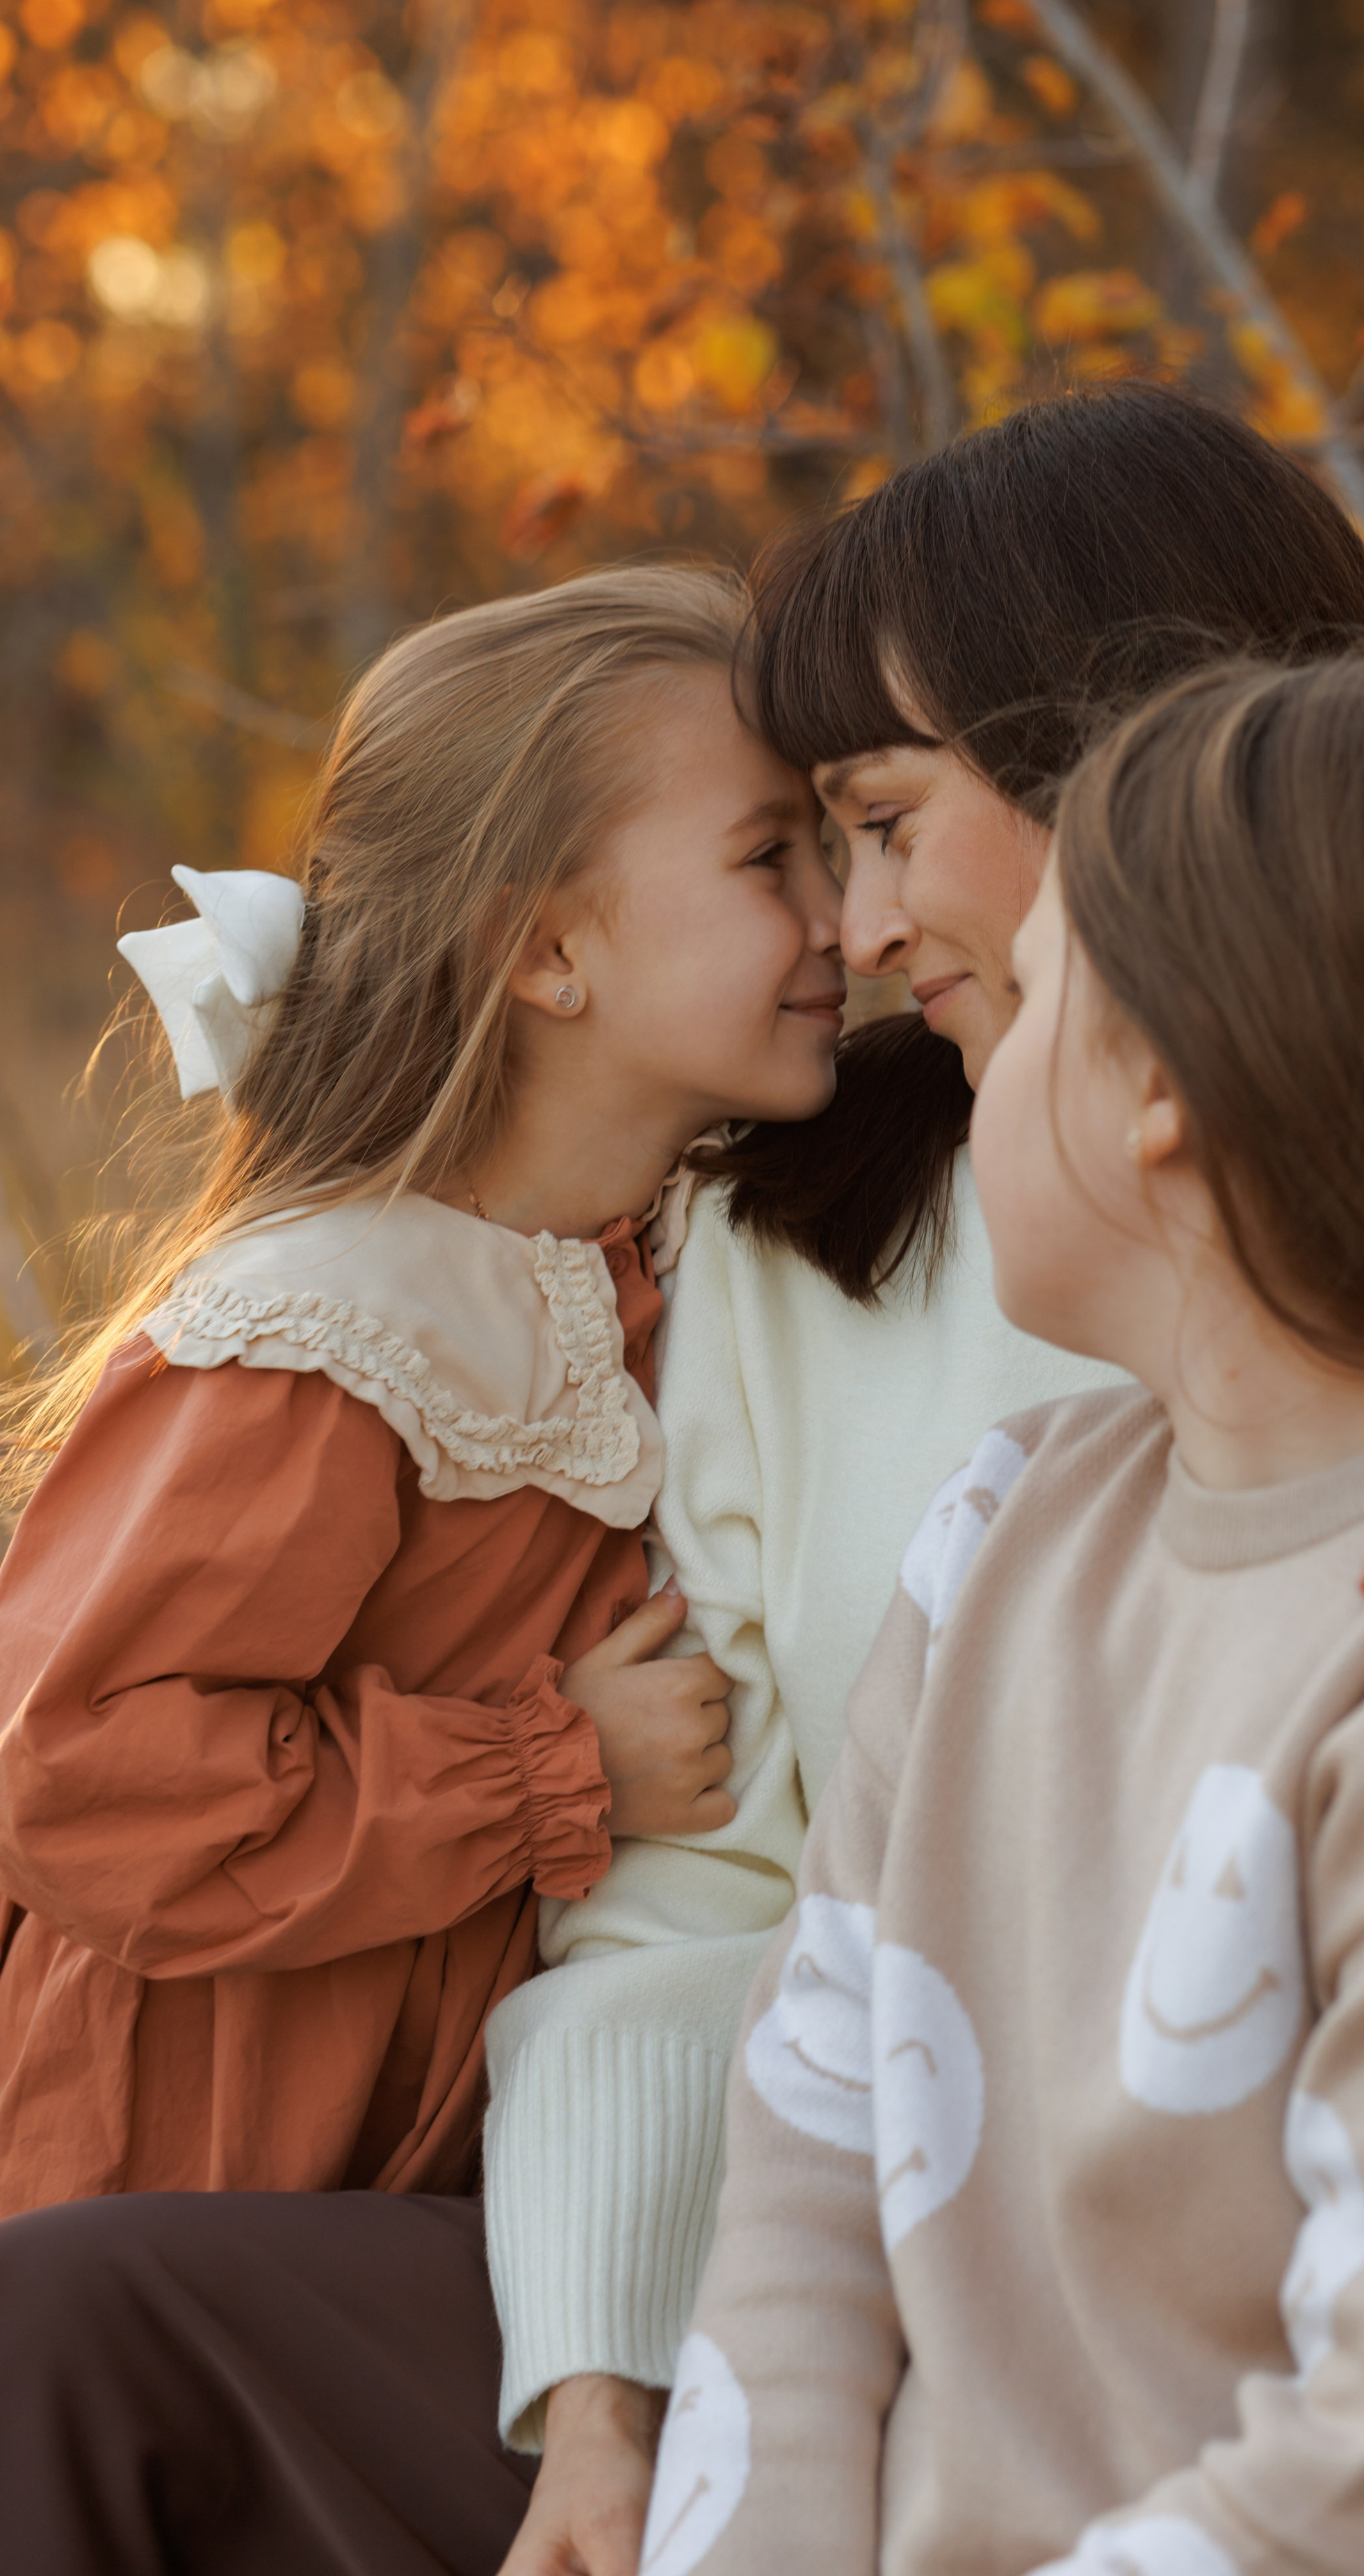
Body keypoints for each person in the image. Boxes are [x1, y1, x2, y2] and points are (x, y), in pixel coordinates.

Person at [653, 651, 1364, 2576]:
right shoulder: (1005, 1532)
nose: (967, 1039)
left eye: (1045, 991)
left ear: (1166, 1086)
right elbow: (800, 2212)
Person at [0, 567, 849, 2506]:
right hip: (193, 2155)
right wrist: (547, 1767)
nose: (840, 919)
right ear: (548, 954)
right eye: (768, 857)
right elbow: (86, 1771)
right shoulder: (335, 1329)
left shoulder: (653, 1270)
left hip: (423, 2177)